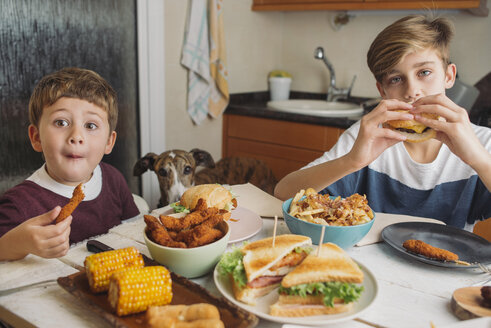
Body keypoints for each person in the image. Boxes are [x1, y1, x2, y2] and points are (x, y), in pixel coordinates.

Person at [274, 15, 491, 231]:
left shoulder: (481, 142)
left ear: (448, 76)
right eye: (396, 79)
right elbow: (282, 192)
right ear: (382, 91)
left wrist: (478, 159)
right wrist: (352, 161)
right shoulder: (367, 136)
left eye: (424, 72)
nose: (412, 91)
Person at [0, 67, 140, 261]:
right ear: (36, 137)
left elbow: (136, 233)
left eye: (91, 126)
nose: (76, 136)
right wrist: (18, 242)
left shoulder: (113, 179)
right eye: (61, 123)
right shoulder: (18, 204)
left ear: (109, 141)